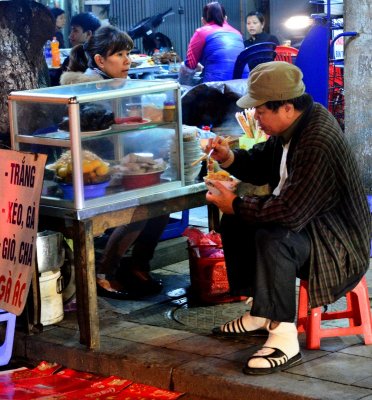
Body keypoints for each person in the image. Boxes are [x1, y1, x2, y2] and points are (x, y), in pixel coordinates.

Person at [204, 61, 371, 375]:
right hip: (312, 226)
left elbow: (290, 212)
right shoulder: (295, 125)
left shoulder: (317, 139)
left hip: (339, 245)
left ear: (286, 108)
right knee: (238, 221)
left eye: (261, 111)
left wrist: (236, 204)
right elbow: (262, 161)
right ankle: (261, 312)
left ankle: (284, 338)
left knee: (273, 234)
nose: (256, 118)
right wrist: (229, 157)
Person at [60, 26, 169, 299]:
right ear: (99, 61)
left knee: (163, 202)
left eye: (128, 53)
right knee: (139, 211)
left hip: (118, 167)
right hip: (91, 176)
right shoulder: (85, 90)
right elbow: (94, 139)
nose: (127, 60)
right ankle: (104, 274)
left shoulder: (117, 84)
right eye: (119, 54)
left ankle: (136, 266)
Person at [179, 1, 246, 85]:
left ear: (203, 20)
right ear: (225, 18)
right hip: (243, 86)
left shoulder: (201, 32)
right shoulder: (237, 33)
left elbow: (189, 65)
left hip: (216, 88)